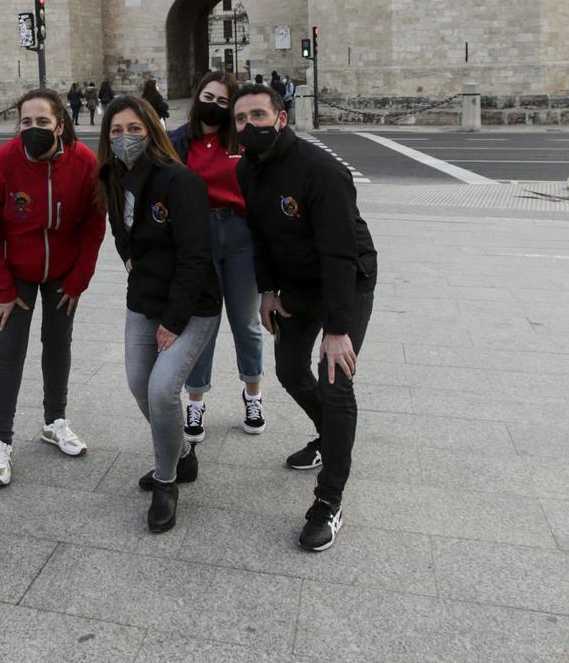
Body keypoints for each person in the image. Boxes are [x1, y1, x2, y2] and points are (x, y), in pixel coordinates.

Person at [233, 81, 378, 553]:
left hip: (346, 281)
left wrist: (337, 330)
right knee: (288, 367)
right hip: (295, 284)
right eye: (240, 119)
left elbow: (339, 253)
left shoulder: (322, 171)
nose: (248, 126)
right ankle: (330, 438)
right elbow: (260, 236)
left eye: (258, 116)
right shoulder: (248, 171)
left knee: (334, 378)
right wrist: (268, 291)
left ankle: (329, 500)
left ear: (281, 118)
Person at [0, 86, 106, 487]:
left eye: (42, 122)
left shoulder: (83, 161)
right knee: (9, 352)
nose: (33, 128)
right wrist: (1, 289)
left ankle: (55, 421)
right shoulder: (1, 163)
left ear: (59, 125)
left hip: (63, 274)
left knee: (58, 344)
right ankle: (0, 442)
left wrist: (79, 279)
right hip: (17, 276)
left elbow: (93, 224)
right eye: (26, 122)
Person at [99, 94, 220, 534]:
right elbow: (119, 227)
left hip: (192, 306)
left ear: (151, 130)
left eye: (134, 129)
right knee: (139, 383)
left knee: (164, 389)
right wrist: (129, 259)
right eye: (116, 131)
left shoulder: (179, 181)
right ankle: (183, 455)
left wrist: (173, 320)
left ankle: (166, 481)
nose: (125, 138)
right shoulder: (112, 177)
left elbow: (195, 256)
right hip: (143, 300)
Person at [169, 72, 266, 441]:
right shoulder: (179, 141)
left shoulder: (242, 141)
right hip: (198, 238)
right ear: (197, 97)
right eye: (209, 96)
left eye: (224, 102)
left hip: (241, 235)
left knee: (246, 322)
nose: (214, 104)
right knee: (202, 326)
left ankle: (253, 394)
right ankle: (196, 403)